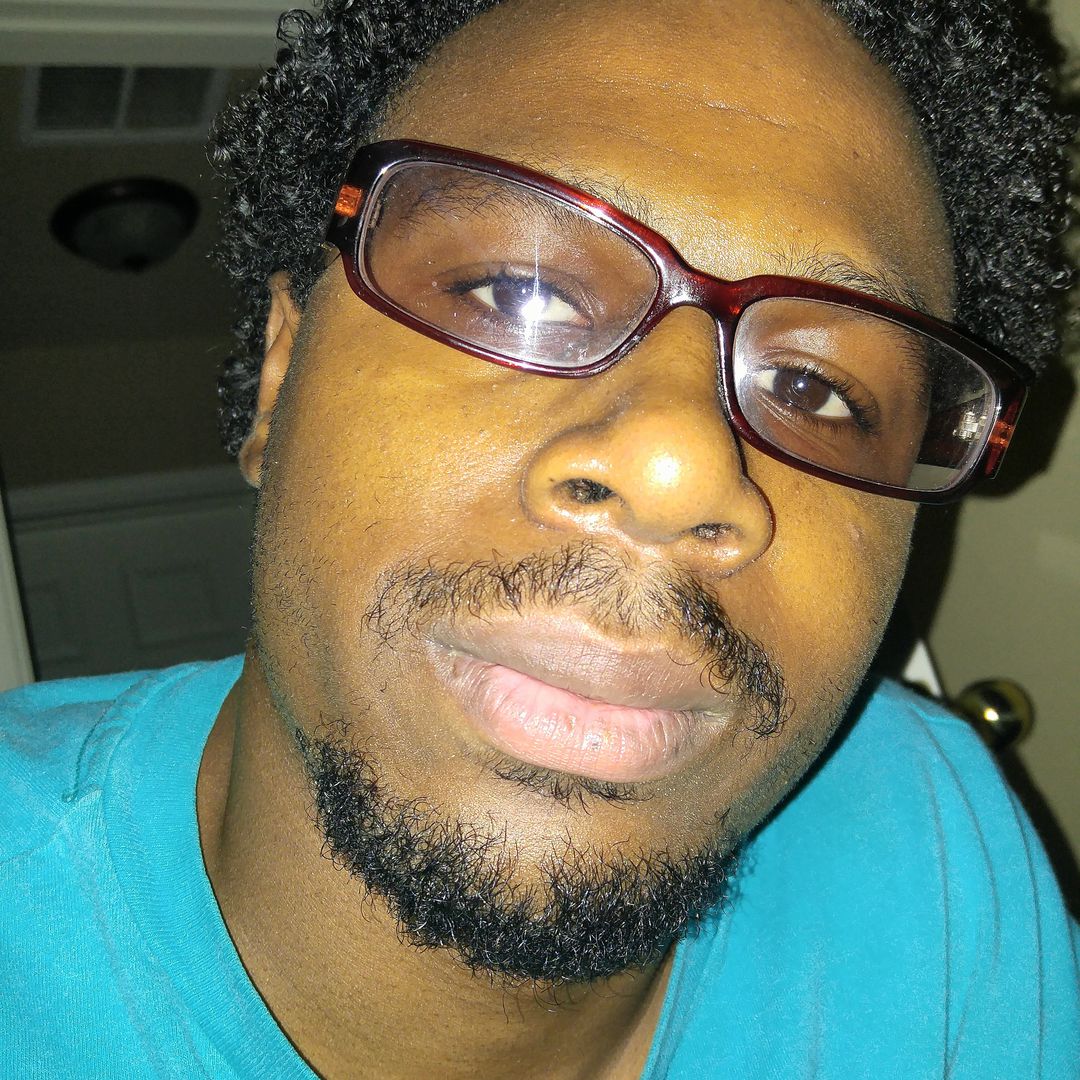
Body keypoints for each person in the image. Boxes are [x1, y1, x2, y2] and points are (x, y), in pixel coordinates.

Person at [2, 0, 1078, 1075]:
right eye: (515, 289)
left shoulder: (933, 831)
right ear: (280, 382)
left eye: (816, 390)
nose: (677, 467)